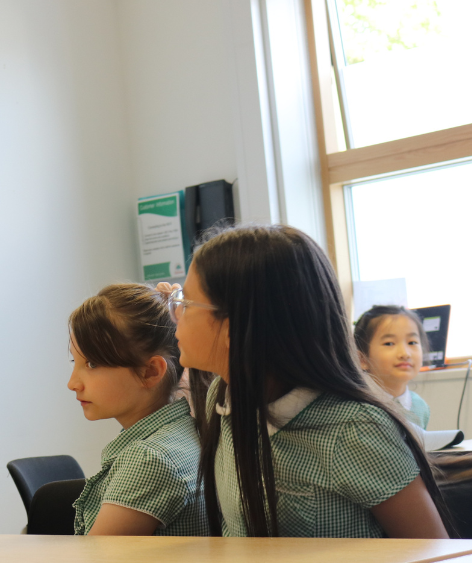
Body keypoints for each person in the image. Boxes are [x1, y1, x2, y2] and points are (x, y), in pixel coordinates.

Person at [163, 224, 450, 538]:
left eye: (185, 303)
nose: (175, 314)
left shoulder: (354, 430)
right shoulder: (223, 397)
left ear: (234, 327)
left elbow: (431, 556)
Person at [67, 284, 208, 536]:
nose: (72, 383)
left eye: (92, 363)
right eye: (74, 362)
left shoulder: (151, 459)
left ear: (150, 371)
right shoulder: (184, 432)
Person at [355, 305, 431, 429]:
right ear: (362, 359)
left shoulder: (421, 407)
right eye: (389, 343)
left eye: (412, 342)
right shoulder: (358, 408)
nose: (405, 354)